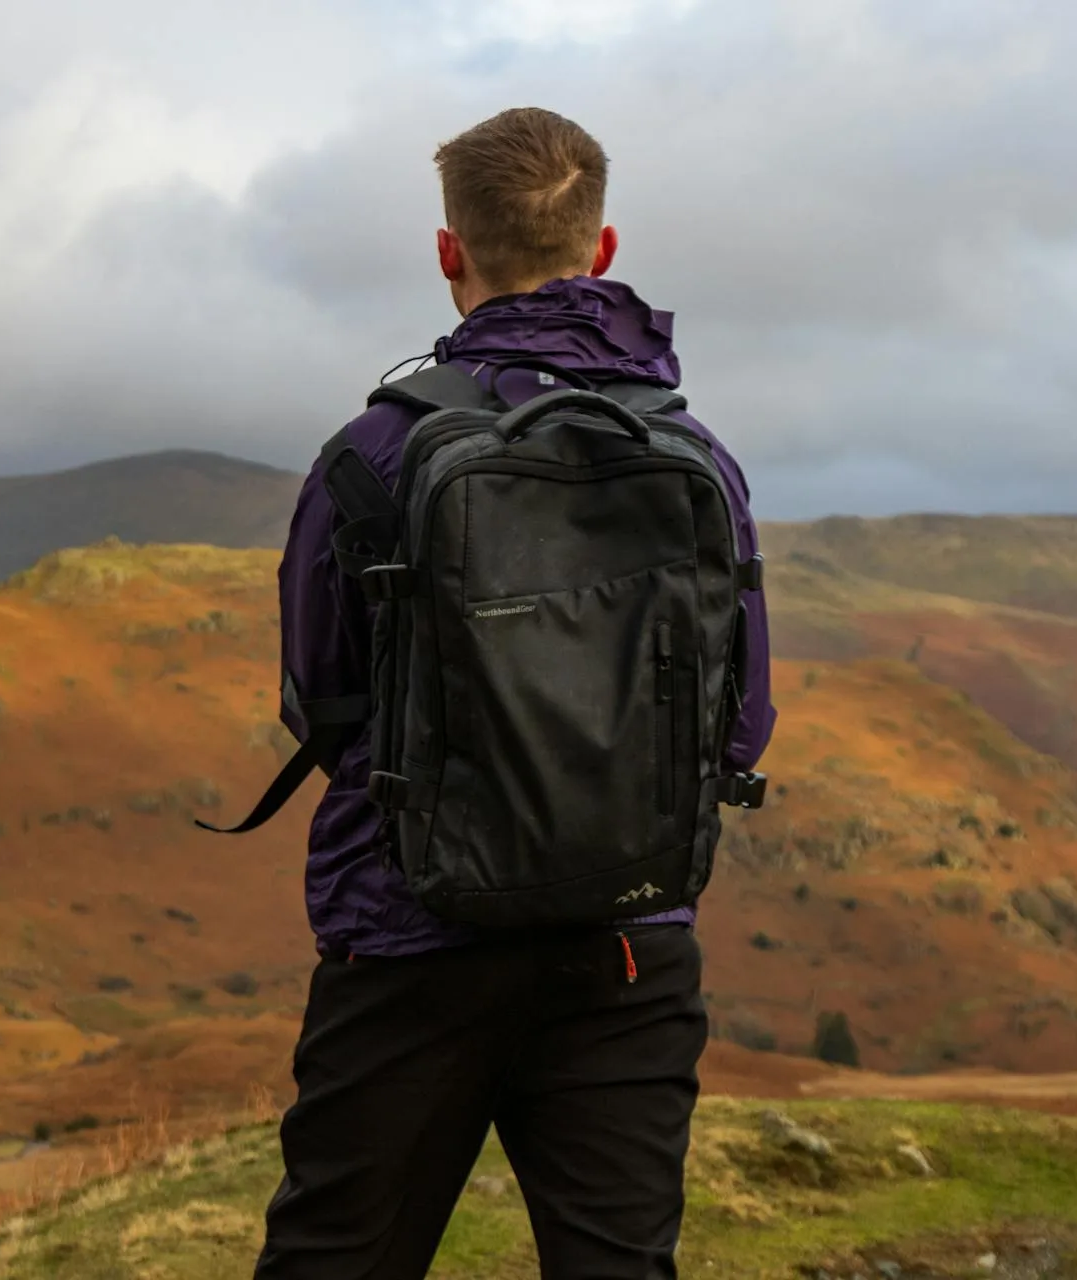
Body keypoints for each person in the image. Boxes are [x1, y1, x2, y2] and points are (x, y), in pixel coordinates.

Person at [253, 107, 776, 1280]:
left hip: (407, 936)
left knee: (335, 1260)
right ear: (604, 249)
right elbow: (743, 722)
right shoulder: (700, 462)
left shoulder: (370, 456)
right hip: (628, 940)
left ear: (450, 253)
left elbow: (323, 705)